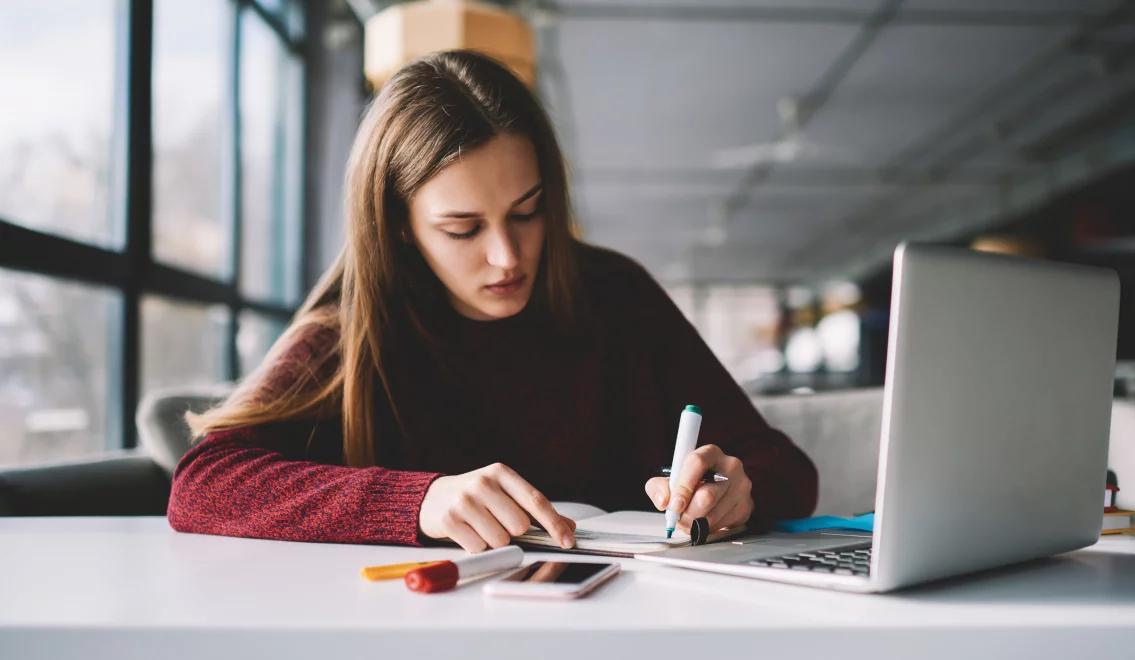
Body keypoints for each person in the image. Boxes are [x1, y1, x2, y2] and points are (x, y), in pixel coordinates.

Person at [168, 50, 818, 553]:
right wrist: (418, 502)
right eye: (463, 229)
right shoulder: (351, 331)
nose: (508, 257)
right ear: (399, 224)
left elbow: (786, 468)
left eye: (528, 213)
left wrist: (733, 490)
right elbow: (202, 484)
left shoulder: (616, 296)